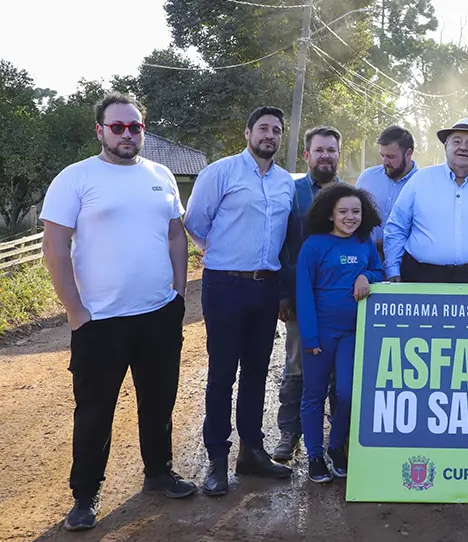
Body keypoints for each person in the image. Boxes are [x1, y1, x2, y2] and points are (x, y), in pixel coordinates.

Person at [41, 92, 196, 531]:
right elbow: (54, 246)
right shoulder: (76, 178)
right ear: (101, 131)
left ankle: (159, 473)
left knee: (159, 401)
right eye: (118, 127)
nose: (127, 135)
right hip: (99, 321)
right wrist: (75, 312)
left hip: (158, 315)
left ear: (142, 130)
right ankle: (85, 495)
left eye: (135, 127)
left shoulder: (161, 174)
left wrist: (178, 294)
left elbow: (175, 236)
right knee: (94, 410)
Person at [184, 106, 296, 496]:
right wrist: (223, 255)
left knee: (256, 371)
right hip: (226, 286)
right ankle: (216, 459)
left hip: (265, 288)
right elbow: (196, 223)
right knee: (221, 375)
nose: (270, 135)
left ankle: (251, 452)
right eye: (263, 128)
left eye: (276, 130)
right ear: (248, 132)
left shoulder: (285, 183)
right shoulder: (221, 172)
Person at [296, 184, 384, 483]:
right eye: (343, 211)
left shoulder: (364, 242)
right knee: (314, 394)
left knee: (347, 393)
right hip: (320, 334)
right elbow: (304, 293)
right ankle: (314, 455)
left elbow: (379, 272)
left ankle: (336, 448)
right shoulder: (314, 245)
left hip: (352, 334)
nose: (351, 217)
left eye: (356, 211)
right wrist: (309, 337)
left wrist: (365, 275)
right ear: (330, 214)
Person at [273, 126, 343, 462]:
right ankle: (289, 432)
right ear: (307, 155)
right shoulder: (293, 191)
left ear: (338, 155)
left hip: (339, 299)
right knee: (298, 365)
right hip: (301, 298)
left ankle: (335, 438)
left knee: (337, 370)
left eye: (331, 150)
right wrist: (284, 294)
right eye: (319, 150)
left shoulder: (348, 195)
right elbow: (282, 245)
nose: (325, 156)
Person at [384, 118, 468, 284]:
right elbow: (397, 227)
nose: (463, 147)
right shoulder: (420, 180)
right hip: (423, 278)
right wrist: (392, 268)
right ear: (446, 146)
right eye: (456, 141)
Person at [355, 125, 419, 257]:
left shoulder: (422, 183)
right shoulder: (367, 177)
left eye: (391, 156)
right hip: (367, 259)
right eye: (382, 155)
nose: (384, 161)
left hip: (406, 262)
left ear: (408, 153)